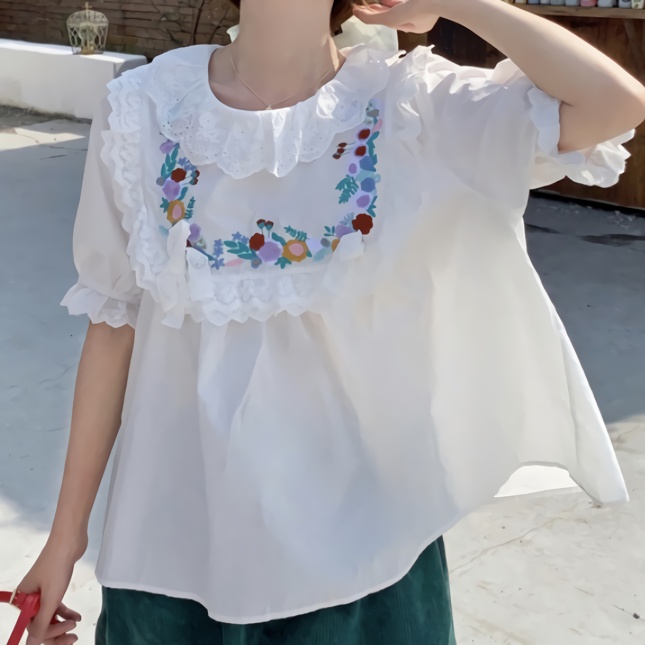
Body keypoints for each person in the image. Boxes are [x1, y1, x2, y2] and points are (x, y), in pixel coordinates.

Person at [16, 0, 645, 643]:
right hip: (170, 552)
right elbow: (112, 322)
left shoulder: (410, 108)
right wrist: (65, 540)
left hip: (363, 559)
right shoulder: (143, 107)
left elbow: (613, 103)